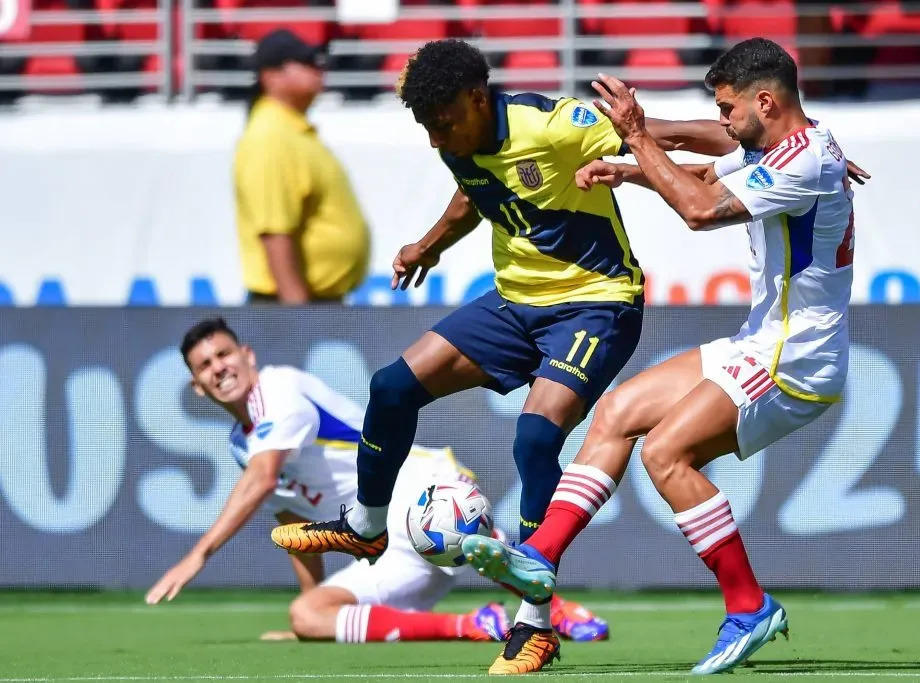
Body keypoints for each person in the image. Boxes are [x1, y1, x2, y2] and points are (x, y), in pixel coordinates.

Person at [268, 37, 759, 675]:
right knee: (391, 387)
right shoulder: (456, 138)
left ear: (478, 99)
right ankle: (366, 525)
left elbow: (678, 136)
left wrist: (772, 147)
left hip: (597, 305)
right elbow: (477, 193)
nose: (435, 138)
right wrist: (429, 245)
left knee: (534, 438)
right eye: (425, 127)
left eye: (441, 123)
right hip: (513, 305)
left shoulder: (552, 125)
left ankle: (535, 624)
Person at [461, 37, 858, 676]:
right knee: (616, 411)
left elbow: (700, 209)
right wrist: (632, 160)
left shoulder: (805, 160)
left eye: (730, 109)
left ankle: (748, 606)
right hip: (761, 340)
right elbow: (706, 162)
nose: (724, 122)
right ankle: (540, 554)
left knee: (666, 453)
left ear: (765, 101)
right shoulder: (802, 145)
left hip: (795, 360)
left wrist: (637, 141)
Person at [144, 317, 508, 644]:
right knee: (307, 615)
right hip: (382, 540)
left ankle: (551, 611)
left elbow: (265, 477)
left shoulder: (279, 388)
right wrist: (311, 603)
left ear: (247, 355)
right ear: (197, 386)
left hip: (423, 494)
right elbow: (293, 519)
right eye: (205, 366)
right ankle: (474, 625)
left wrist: (198, 555)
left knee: (487, 552)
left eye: (223, 354)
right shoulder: (241, 444)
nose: (218, 368)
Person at [234, 29, 370, 305]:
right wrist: (299, 320)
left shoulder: (289, 130)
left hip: (308, 304)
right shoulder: (271, 136)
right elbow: (275, 234)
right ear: (270, 76)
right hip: (289, 305)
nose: (317, 68)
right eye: (304, 62)